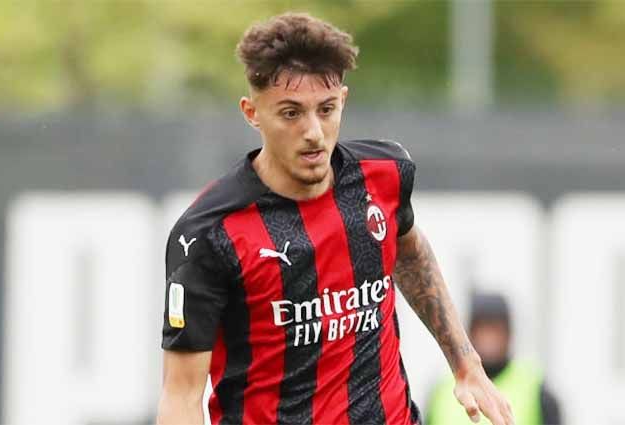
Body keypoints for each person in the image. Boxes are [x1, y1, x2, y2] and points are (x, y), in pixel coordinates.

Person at [156, 13, 513, 425]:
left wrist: (466, 364)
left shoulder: (385, 175)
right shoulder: (207, 233)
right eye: (291, 113)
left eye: (325, 110)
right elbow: (181, 395)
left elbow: (411, 254)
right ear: (252, 112)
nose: (313, 131)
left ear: (342, 99)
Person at [426, 293, 561, 425]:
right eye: (481, 329)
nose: (489, 339)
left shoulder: (535, 388)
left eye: (495, 329)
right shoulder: (441, 390)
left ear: (509, 334)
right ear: (468, 334)